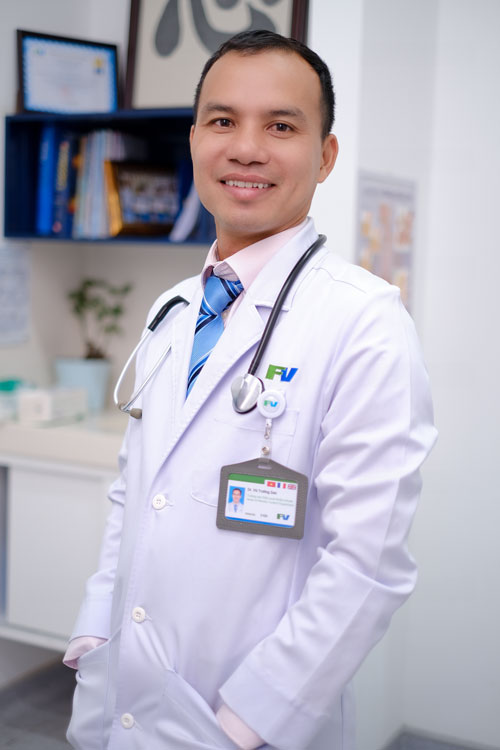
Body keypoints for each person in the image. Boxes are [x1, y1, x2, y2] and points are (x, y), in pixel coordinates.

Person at [64, 30, 436, 750]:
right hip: (117, 700)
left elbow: (368, 566)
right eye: (223, 120)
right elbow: (135, 494)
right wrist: (92, 632)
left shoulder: (364, 322)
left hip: (240, 727)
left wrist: (246, 723)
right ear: (195, 138)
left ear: (325, 156)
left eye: (281, 126)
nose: (246, 148)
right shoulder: (174, 309)